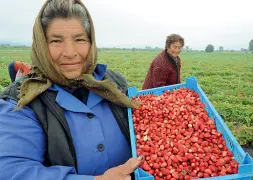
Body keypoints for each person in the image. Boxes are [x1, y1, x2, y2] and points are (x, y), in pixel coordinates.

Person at [0, 0, 142, 180]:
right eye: (56, 41)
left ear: (91, 42)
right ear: (42, 45)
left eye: (80, 39)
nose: (69, 52)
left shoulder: (114, 84)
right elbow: (11, 171)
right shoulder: (21, 100)